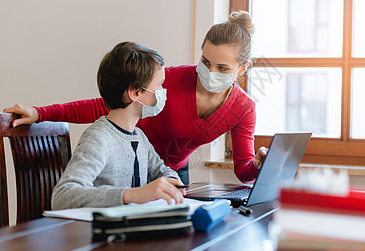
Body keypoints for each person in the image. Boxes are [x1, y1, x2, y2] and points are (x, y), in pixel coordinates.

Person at [4, 11, 267, 185]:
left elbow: (244, 170)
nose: (209, 73)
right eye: (205, 61)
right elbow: (104, 106)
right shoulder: (169, 79)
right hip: (129, 163)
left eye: (222, 69)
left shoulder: (243, 109)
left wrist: (258, 164)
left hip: (172, 172)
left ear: (242, 69)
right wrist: (40, 112)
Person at [51, 42, 185, 210]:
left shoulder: (139, 136)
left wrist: (172, 183)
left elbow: (162, 171)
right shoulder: (99, 138)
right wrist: (130, 195)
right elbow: (62, 196)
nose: (163, 91)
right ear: (135, 93)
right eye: (159, 85)